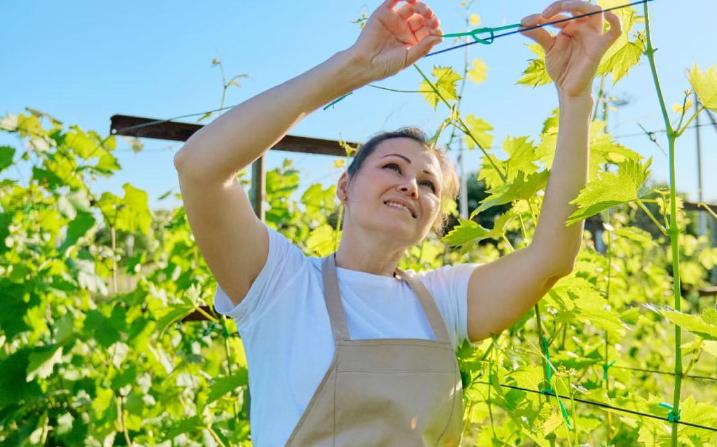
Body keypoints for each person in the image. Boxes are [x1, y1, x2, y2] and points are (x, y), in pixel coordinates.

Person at [173, 0, 621, 445]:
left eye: (428, 184)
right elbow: (200, 167)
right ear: (344, 188)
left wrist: (575, 98)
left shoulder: (442, 302)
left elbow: (551, 259)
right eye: (392, 168)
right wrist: (354, 65)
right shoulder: (282, 284)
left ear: (434, 219)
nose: (410, 185)